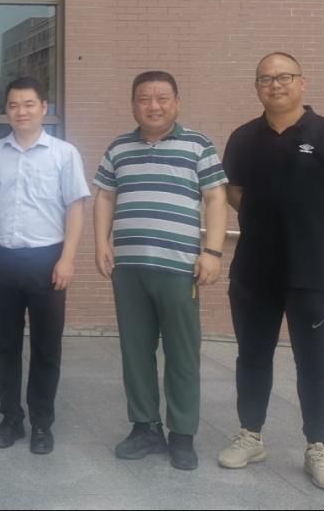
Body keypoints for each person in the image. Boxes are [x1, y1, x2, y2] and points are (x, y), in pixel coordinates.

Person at [217, 52, 324, 491]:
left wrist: (318, 233)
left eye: (284, 77)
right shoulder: (244, 138)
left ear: (303, 82)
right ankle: (250, 435)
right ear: (257, 87)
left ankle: (318, 445)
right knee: (252, 356)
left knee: (315, 362)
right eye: (265, 79)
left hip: (311, 271)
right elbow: (234, 191)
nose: (275, 85)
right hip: (254, 269)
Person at [93, 71, 228, 471]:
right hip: (129, 268)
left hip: (179, 268)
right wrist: (101, 242)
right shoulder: (118, 147)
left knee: (182, 352)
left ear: (177, 102)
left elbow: (216, 198)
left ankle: (182, 434)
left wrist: (212, 252)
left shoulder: (198, 145)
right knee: (135, 351)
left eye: (162, 98)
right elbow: (105, 196)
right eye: (144, 99)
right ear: (133, 104)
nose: (153, 106)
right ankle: (145, 428)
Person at [0, 76, 90, 455]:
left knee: (46, 346)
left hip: (48, 260)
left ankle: (42, 423)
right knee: (5, 346)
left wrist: (67, 258)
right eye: (13, 105)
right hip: (2, 259)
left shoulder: (64, 154)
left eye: (28, 104)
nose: (20, 111)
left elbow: (75, 207)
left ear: (43, 108)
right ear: (5, 110)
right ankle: (10, 418)